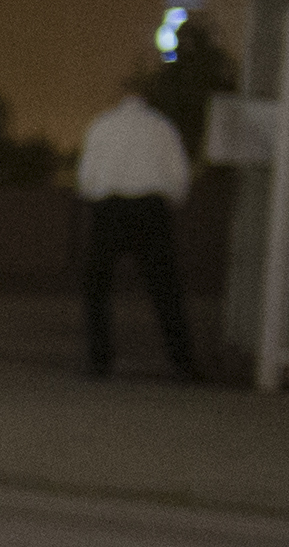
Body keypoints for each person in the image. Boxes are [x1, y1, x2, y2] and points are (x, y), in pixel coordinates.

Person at [75, 68, 201, 381]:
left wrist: (95, 198)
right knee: (165, 288)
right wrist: (171, 201)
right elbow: (178, 175)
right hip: (150, 210)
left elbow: (87, 176)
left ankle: (99, 359)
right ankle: (182, 362)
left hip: (110, 210)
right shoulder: (161, 126)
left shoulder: (102, 125)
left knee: (97, 287)